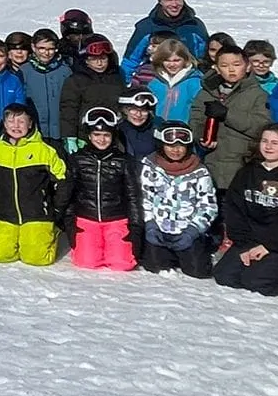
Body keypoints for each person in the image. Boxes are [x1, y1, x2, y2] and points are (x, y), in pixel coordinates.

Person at [213, 126, 278, 296]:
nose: (268, 146)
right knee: (224, 276)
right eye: (265, 141)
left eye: (275, 143)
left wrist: (268, 246)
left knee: (255, 281)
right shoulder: (246, 173)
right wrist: (244, 244)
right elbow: (234, 209)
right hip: (249, 240)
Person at [0, 103, 66, 267]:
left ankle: (51, 233)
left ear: (30, 123)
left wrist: (56, 209)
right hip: (5, 214)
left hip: (36, 214)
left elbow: (63, 180)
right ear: (4, 124)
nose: (16, 126)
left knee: (36, 258)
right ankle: (20, 237)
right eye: (11, 121)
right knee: (0, 254)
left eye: (21, 121)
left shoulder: (44, 150)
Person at [64, 109, 143, 272]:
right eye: (97, 135)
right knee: (87, 262)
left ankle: (114, 246)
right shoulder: (77, 159)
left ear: (113, 136)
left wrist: (135, 228)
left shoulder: (123, 161)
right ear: (89, 136)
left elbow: (133, 196)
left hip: (116, 219)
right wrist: (70, 223)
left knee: (122, 264)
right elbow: (69, 193)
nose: (102, 139)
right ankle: (89, 244)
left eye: (106, 135)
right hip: (87, 219)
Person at [138, 123, 217, 278]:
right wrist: (150, 224)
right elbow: (145, 198)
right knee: (155, 266)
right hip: (159, 229)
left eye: (181, 145)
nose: (176, 150)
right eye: (170, 145)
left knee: (197, 272)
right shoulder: (150, 166)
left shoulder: (199, 171)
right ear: (161, 145)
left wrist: (194, 230)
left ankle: (189, 252)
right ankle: (164, 254)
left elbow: (208, 206)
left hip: (187, 230)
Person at [196, 44, 272, 192]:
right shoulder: (205, 93)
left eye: (236, 64)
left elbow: (261, 126)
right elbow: (196, 120)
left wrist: (227, 114)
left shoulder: (258, 95)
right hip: (211, 164)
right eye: (224, 65)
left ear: (248, 67)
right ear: (216, 69)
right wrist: (201, 138)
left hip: (242, 165)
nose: (231, 69)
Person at [121, 0, 211, 76]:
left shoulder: (195, 26)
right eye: (168, 0)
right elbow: (130, 61)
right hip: (155, 80)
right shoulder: (146, 27)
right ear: (160, 2)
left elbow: (206, 58)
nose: (174, 4)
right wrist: (124, 86)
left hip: (188, 80)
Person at [58, 36, 127, 152]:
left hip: (111, 135)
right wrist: (70, 136)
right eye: (94, 59)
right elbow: (68, 109)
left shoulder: (117, 79)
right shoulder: (75, 80)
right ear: (86, 60)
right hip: (84, 136)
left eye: (103, 58)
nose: (99, 63)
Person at [18, 30, 71, 142]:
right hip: (34, 132)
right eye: (41, 48)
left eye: (51, 49)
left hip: (59, 132)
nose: (46, 53)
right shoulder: (24, 71)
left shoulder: (65, 71)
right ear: (33, 47)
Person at [145, 38, 203, 124]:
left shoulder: (194, 82)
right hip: (158, 128)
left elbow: (200, 109)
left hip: (184, 129)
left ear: (185, 60)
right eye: (167, 60)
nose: (172, 64)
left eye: (177, 60)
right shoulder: (155, 83)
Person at [118, 90, 159, 162]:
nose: (138, 115)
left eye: (143, 110)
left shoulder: (156, 132)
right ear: (124, 110)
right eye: (133, 110)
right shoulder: (116, 132)